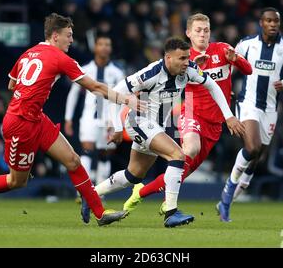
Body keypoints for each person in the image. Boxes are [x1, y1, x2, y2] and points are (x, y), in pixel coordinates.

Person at [0, 13, 146, 226]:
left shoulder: (29, 53)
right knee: (17, 181)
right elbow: (95, 87)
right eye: (68, 35)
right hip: (20, 123)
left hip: (36, 118)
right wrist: (127, 100)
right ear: (55, 36)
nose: (72, 40)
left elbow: (11, 85)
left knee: (73, 161)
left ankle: (101, 214)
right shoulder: (60, 58)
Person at [81, 37, 245, 228]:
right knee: (178, 155)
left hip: (156, 127)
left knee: (133, 176)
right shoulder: (151, 73)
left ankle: (90, 195)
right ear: (168, 58)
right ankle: (171, 212)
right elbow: (112, 92)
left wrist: (228, 116)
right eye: (181, 58)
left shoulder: (190, 69)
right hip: (139, 122)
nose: (186, 62)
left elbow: (212, 86)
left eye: (187, 57)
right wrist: (117, 127)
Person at [122, 13, 252, 214]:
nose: (203, 34)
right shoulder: (183, 58)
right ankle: (171, 208)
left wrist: (236, 60)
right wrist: (194, 67)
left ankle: (140, 194)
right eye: (198, 30)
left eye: (206, 30)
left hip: (215, 123)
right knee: (189, 149)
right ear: (188, 33)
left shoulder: (223, 49)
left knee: (183, 171)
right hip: (192, 111)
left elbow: (248, 70)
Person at [217, 7, 283, 222]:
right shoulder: (246, 44)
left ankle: (229, 200)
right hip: (248, 103)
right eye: (269, 21)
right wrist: (226, 88)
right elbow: (229, 66)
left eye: (276, 21)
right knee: (251, 148)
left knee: (256, 159)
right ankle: (227, 194)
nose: (273, 24)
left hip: (270, 109)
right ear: (261, 23)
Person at [64, 33, 124, 190]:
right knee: (87, 151)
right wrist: (68, 118)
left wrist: (118, 121)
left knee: (105, 155)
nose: (104, 47)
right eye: (101, 44)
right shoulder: (85, 70)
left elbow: (123, 98)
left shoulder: (117, 73)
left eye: (107, 44)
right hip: (89, 117)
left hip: (109, 118)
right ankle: (84, 191)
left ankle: (99, 192)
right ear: (95, 47)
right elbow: (73, 94)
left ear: (110, 49)